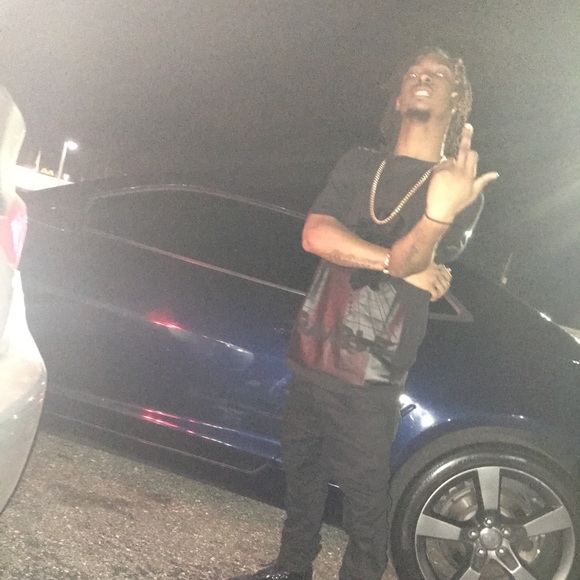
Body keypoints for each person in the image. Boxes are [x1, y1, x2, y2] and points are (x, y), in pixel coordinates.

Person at [232, 47, 498, 580]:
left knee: (365, 502)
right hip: (313, 347)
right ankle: (292, 567)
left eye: (438, 75)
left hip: (373, 372)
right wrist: (392, 261)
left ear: (456, 101)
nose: (422, 77)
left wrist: (437, 215)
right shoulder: (358, 164)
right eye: (414, 72)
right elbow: (316, 235)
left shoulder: (458, 188)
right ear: (397, 98)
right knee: (300, 476)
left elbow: (420, 260)